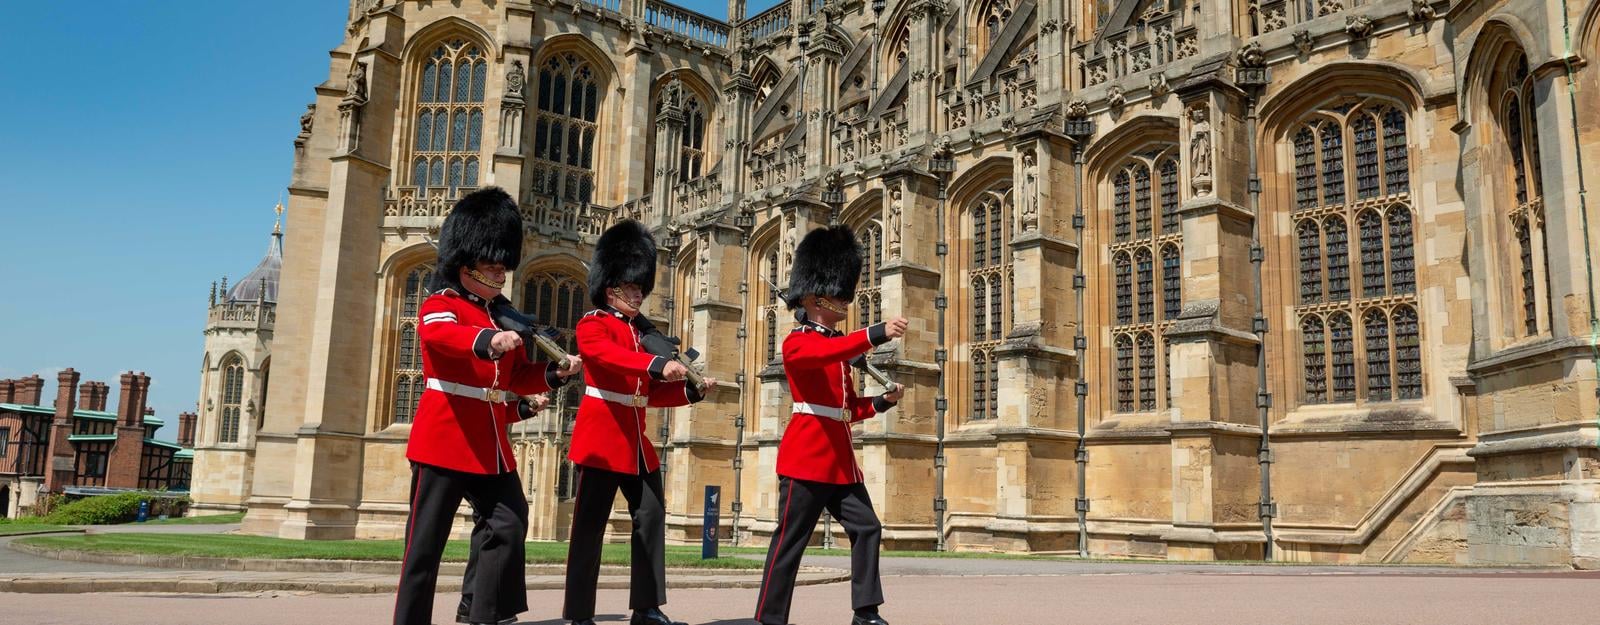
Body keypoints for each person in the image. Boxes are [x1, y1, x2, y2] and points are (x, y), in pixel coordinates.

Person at [393, 187, 582, 625]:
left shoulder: (502, 316)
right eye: (491, 266)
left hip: (490, 446)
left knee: (510, 523)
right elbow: (441, 337)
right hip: (444, 439)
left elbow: (515, 378)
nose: (500, 274)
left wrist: (554, 374)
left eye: (503, 266)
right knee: (423, 549)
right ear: (465, 264)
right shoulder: (442, 304)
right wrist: (487, 340)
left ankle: (479, 612)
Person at [562, 219, 715, 625]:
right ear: (611, 287)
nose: (639, 294)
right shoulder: (593, 324)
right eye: (633, 287)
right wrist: (656, 364)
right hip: (600, 441)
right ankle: (579, 614)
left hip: (636, 445)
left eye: (641, 287)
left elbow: (646, 394)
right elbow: (607, 359)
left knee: (650, 518)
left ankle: (646, 607)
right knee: (589, 530)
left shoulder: (641, 334)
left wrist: (691, 389)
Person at [755, 224, 907, 625]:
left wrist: (881, 402)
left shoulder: (834, 347)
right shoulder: (797, 343)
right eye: (838, 296)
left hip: (839, 462)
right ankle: (769, 619)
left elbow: (845, 409)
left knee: (868, 528)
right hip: (806, 460)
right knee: (790, 543)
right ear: (816, 298)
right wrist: (875, 333)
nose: (844, 302)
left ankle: (865, 611)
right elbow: (832, 350)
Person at [457, 396, 548, 625]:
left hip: (488, 439)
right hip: (454, 432)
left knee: (495, 520)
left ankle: (475, 603)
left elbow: (495, 393)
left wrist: (524, 404)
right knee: (426, 535)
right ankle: (485, 607)